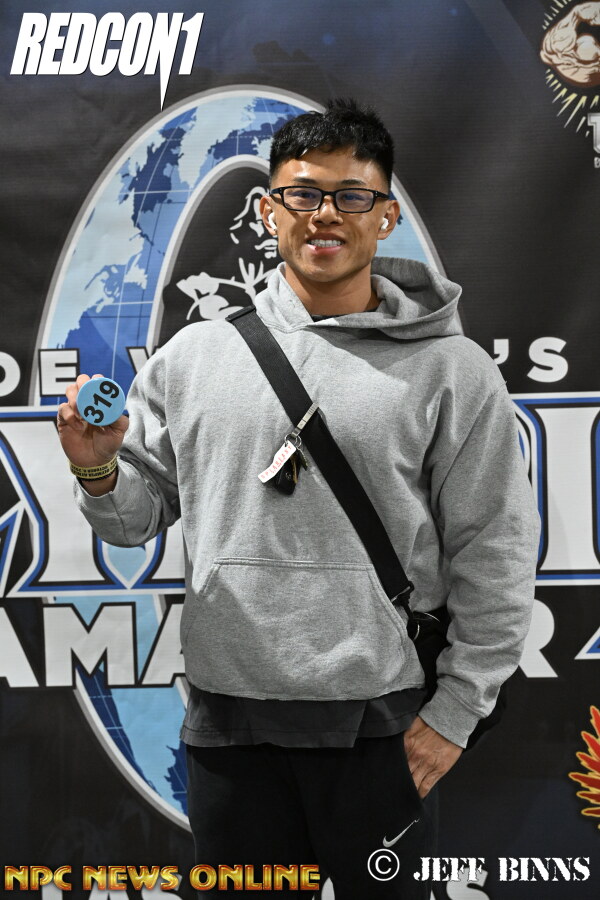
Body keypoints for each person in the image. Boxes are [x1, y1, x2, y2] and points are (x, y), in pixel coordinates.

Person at [57, 99, 540, 898]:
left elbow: (496, 551)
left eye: (352, 195)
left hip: (380, 732)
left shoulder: (452, 371)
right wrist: (98, 469)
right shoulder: (192, 357)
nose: (325, 213)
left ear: (386, 216)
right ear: (267, 210)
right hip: (229, 731)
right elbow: (133, 523)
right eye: (304, 193)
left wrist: (456, 713)